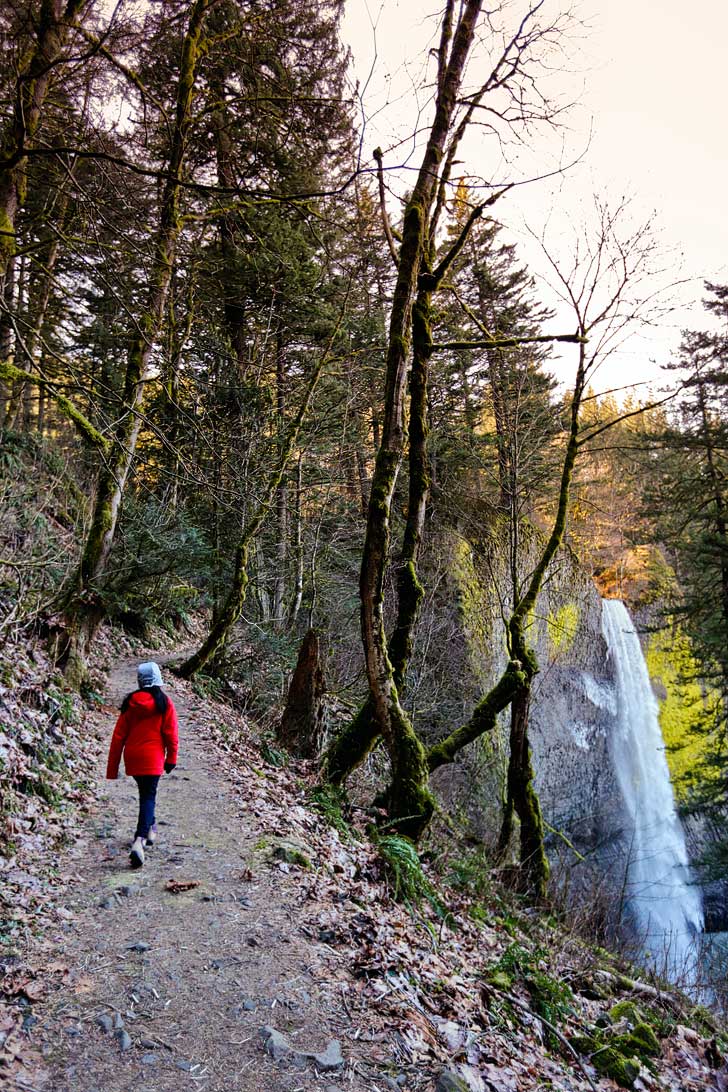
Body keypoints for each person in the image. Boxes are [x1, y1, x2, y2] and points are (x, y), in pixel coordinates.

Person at [106, 661, 179, 869]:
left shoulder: (130, 702)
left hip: (133, 758)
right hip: (153, 758)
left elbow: (118, 736)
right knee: (149, 796)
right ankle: (139, 840)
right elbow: (171, 734)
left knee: (145, 794)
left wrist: (112, 768)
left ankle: (150, 827)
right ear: (158, 680)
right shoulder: (164, 703)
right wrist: (171, 758)